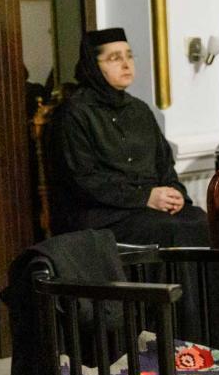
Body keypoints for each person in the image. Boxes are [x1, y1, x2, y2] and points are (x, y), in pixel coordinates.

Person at [50, 28, 207, 245]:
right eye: (115, 58)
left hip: (148, 208)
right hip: (103, 214)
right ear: (93, 66)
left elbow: (164, 163)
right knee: (168, 229)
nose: (126, 64)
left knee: (202, 221)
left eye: (129, 56)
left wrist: (175, 193)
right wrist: (145, 197)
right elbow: (84, 179)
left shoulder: (139, 109)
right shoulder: (75, 113)